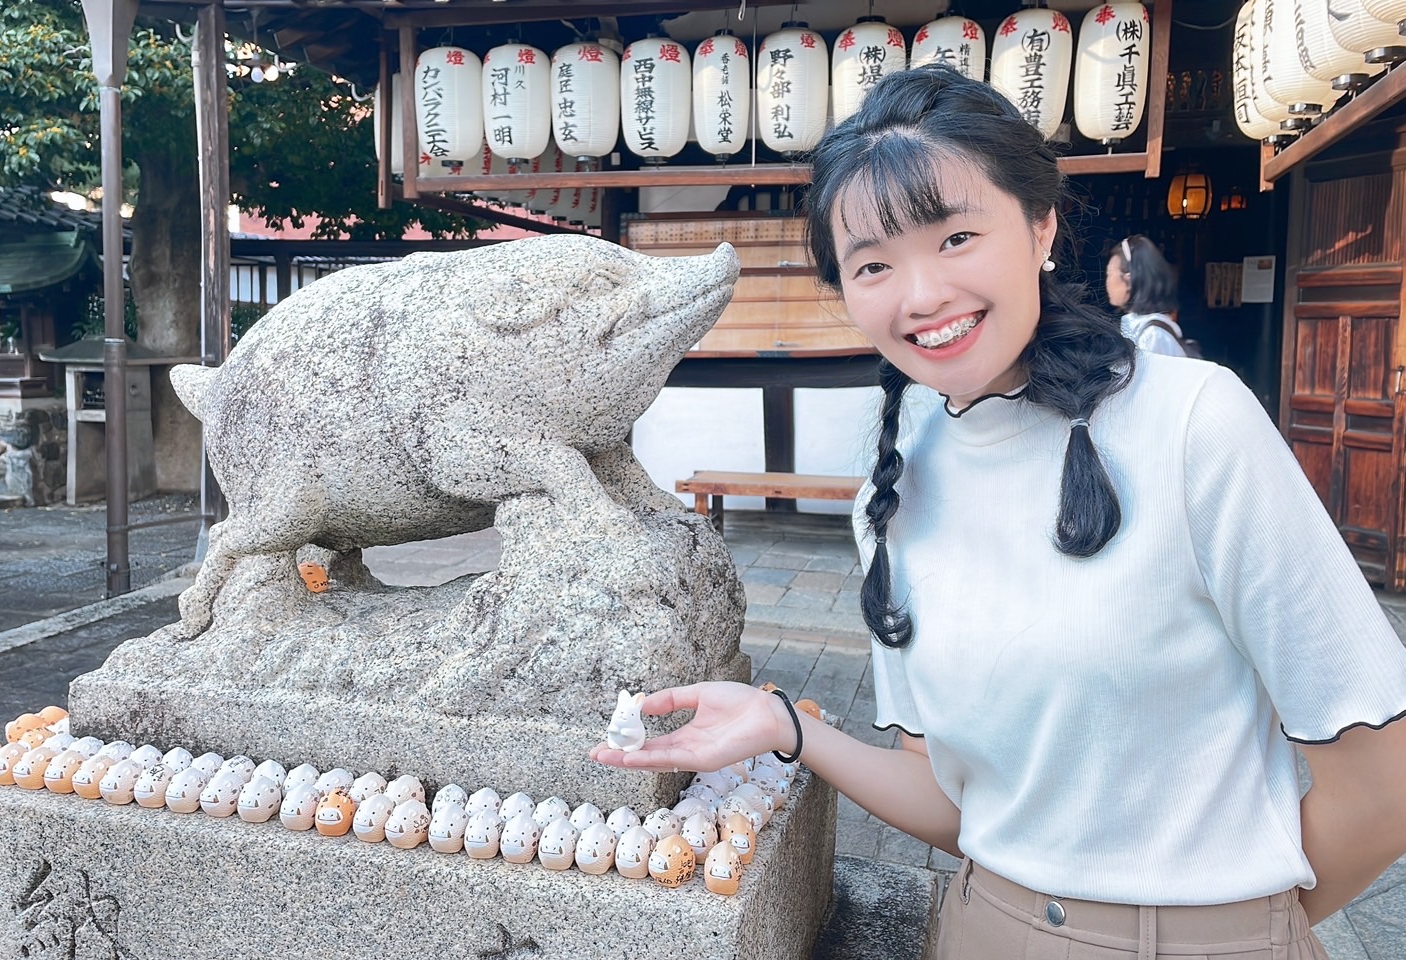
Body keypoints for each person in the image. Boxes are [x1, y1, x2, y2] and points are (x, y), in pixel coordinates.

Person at [591, 65, 1406, 960]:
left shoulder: (1194, 423)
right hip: (980, 928)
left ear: (1040, 224)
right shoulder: (892, 495)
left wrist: (1236, 931)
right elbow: (952, 803)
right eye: (873, 264)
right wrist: (787, 727)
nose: (921, 296)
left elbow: (1384, 783)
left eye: (955, 237)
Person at [1106, 235, 1188, 357]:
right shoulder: (1143, 329)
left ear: (1129, 280)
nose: (1107, 282)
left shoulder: (1152, 336)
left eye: (1109, 273)